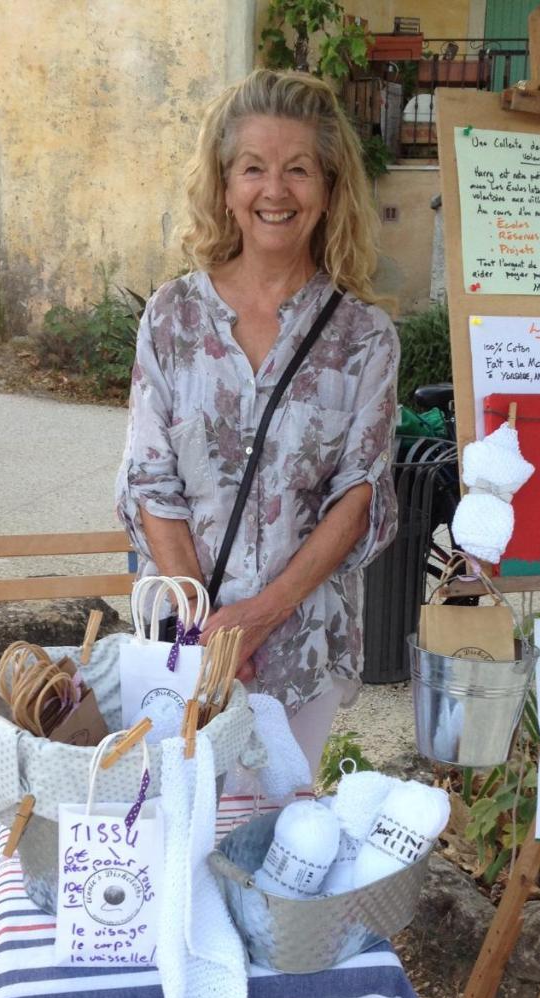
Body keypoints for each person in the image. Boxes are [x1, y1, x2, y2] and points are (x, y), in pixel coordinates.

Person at [115, 69, 399, 772]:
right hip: (179, 648)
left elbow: (358, 494)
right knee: (176, 841)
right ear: (224, 184)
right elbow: (151, 479)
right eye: (253, 169)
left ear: (329, 188)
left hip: (301, 642)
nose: (275, 191)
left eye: (298, 170)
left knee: (276, 842)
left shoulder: (364, 337)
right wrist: (202, 625)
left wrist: (261, 615)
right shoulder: (173, 319)